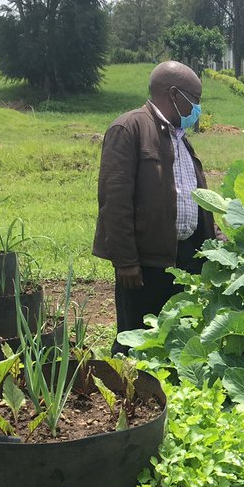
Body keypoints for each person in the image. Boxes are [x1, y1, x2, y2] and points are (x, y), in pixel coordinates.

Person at [93, 60, 216, 348]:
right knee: (137, 340)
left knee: (174, 341)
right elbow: (114, 200)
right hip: (146, 265)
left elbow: (189, 194)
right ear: (174, 94)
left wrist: (214, 232)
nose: (197, 109)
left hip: (182, 259)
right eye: (195, 100)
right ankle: (129, 392)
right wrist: (126, 261)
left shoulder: (179, 138)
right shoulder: (130, 128)